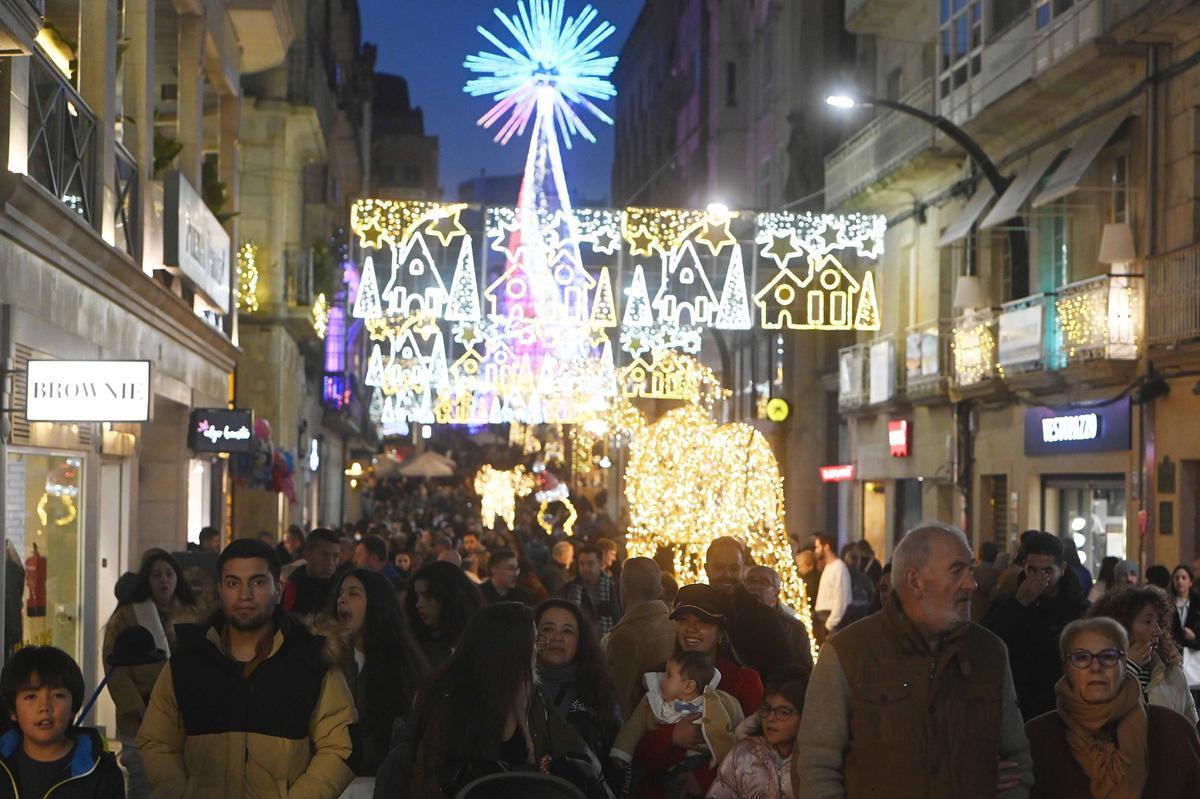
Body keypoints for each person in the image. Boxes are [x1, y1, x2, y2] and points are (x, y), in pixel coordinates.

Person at [795, 522, 1033, 798]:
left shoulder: (989, 652)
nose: (972, 584)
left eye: (970, 570)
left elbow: (1017, 762)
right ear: (915, 581)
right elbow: (816, 767)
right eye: (957, 571)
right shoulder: (848, 654)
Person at [137, 539, 356, 798]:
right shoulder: (189, 661)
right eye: (233, 583)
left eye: (258, 582)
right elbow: (156, 741)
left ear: (278, 590)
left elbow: (340, 746)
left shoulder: (311, 660)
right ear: (219, 590)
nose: (244, 595)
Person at [405, 602, 609, 798]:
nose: (538, 650)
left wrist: (558, 767)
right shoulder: (450, 703)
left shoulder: (532, 698)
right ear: (511, 650)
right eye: (534, 641)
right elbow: (427, 779)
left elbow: (577, 751)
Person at [1024, 617, 1200, 797]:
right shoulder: (1039, 738)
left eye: (1108, 656)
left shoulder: (1173, 731)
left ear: (1124, 663)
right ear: (1066, 667)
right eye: (1081, 657)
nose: (1095, 667)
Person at [632, 584, 764, 799]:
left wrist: (704, 777)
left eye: (702, 621)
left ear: (721, 632)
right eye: (683, 620)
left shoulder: (745, 681)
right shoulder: (656, 677)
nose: (691, 628)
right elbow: (634, 746)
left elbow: (756, 750)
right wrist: (671, 737)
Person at [101, 549, 198, 799]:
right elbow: (115, 668)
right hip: (141, 716)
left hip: (186, 717)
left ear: (178, 578)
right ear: (147, 580)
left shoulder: (194, 615)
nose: (164, 580)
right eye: (156, 575)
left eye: (169, 574)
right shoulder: (127, 615)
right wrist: (139, 709)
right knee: (142, 784)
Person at [324, 568, 429, 776]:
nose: (341, 600)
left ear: (375, 603)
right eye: (340, 593)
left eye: (353, 594)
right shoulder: (327, 658)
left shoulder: (400, 664)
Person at [983, 531, 1090, 720]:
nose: (1040, 577)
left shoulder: (1077, 609)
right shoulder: (1008, 603)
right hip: (1017, 705)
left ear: (1062, 569)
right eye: (1032, 570)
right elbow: (987, 643)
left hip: (1061, 707)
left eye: (1048, 571)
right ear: (1024, 566)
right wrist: (1019, 603)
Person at [612, 651, 743, 796]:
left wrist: (704, 777)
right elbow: (633, 728)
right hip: (665, 771)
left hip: (706, 764)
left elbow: (734, 734)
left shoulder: (715, 702)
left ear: (688, 686)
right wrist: (621, 752)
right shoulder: (654, 704)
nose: (662, 679)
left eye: (668, 675)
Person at [0, 646, 124, 798]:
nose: (44, 707)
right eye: (31, 697)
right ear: (12, 710)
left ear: (73, 708)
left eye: (58, 695)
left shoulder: (103, 773)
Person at [1088, 585, 1198, 724]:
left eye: (1158, 622)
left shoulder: (1172, 674)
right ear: (1121, 628)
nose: (1158, 631)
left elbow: (1192, 732)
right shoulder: (1094, 673)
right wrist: (1129, 668)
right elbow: (1098, 724)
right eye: (1148, 622)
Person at [535, 600, 622, 771]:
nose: (557, 638)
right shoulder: (517, 688)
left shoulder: (598, 690)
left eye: (567, 631)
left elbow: (616, 755)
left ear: (580, 641)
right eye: (547, 629)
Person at [705, 538, 810, 679]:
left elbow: (785, 672)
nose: (727, 575)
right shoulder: (694, 608)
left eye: (734, 568)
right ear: (707, 569)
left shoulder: (766, 618)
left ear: (742, 570)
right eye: (719, 567)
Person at [708, 666, 808, 799]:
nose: (770, 718)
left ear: (806, 716)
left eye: (784, 712)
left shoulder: (815, 762)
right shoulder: (743, 755)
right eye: (767, 709)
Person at [601, 557, 678, 718]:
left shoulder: (625, 636)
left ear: (623, 588)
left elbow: (619, 700)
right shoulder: (674, 626)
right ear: (659, 590)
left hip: (638, 731)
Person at [403, 560, 484, 667]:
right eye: (417, 597)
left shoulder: (478, 640)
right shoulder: (412, 644)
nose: (419, 604)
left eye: (427, 596)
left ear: (449, 597)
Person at [742, 565, 814, 674]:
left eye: (763, 582)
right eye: (751, 581)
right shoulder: (735, 621)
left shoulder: (794, 628)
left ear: (776, 593)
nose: (755, 587)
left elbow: (805, 669)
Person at [560, 544, 622, 636]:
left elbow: (618, 616)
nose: (585, 568)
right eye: (581, 564)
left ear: (601, 564)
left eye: (590, 563)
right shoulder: (569, 588)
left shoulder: (613, 587)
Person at [282, 528, 343, 616]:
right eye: (324, 555)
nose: (331, 562)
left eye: (336, 556)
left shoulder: (342, 585)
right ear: (307, 554)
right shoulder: (292, 586)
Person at [812, 534, 851, 643]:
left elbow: (840, 600)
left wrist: (829, 625)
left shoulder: (839, 568)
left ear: (826, 547)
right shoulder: (829, 567)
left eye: (818, 547)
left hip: (830, 620)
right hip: (822, 618)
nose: (816, 551)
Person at [1170, 565, 1200, 656]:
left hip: (1195, 655)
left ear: (1190, 582)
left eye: (1184, 578)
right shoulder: (1168, 603)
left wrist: (1195, 638)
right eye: (1177, 578)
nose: (1180, 581)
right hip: (1173, 654)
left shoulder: (1198, 603)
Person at [972, 541, 1002, 623]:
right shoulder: (1000, 575)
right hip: (991, 619)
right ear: (996, 556)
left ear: (979, 554)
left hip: (972, 618)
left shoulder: (971, 573)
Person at [792, 551, 818, 618]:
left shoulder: (812, 580)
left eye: (801, 566)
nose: (799, 570)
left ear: (810, 565)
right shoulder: (805, 578)